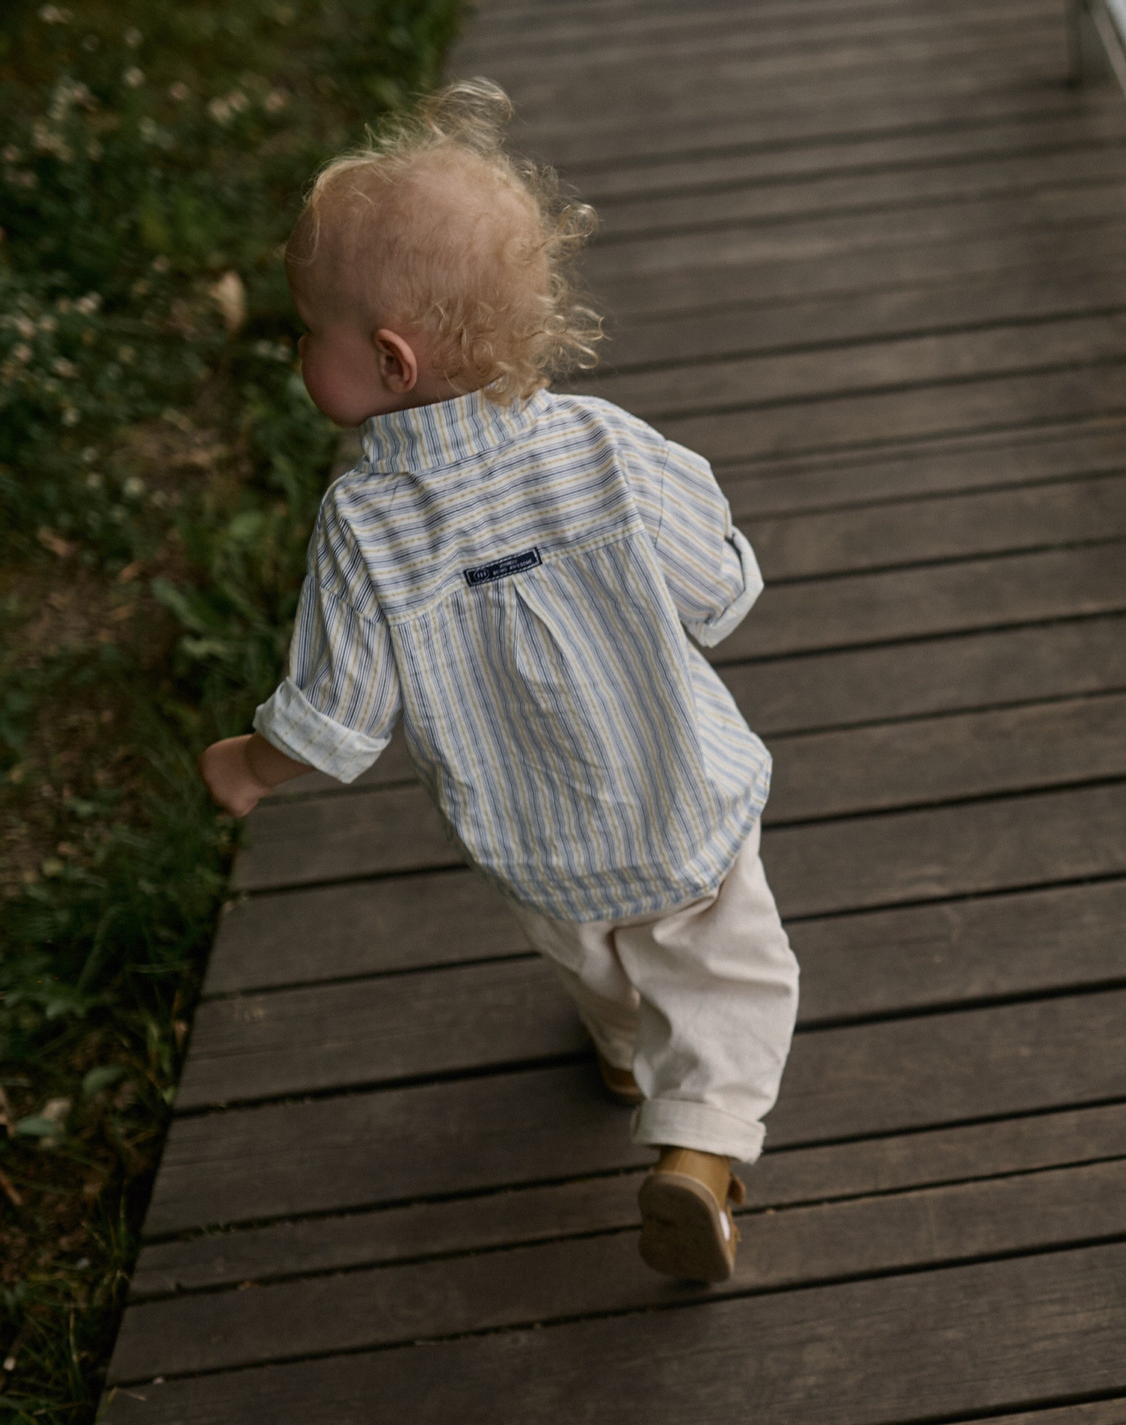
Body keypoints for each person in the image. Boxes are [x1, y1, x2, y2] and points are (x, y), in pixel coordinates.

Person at [200, 79, 797, 1284]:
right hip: (678, 789)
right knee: (732, 967)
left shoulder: (364, 523)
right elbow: (719, 595)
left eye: (301, 329)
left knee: (598, 961)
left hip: (535, 839)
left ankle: (628, 1055)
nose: (294, 351)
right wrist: (720, 562)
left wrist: (246, 764)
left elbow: (338, 712)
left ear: (386, 357)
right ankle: (698, 1150)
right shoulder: (606, 445)